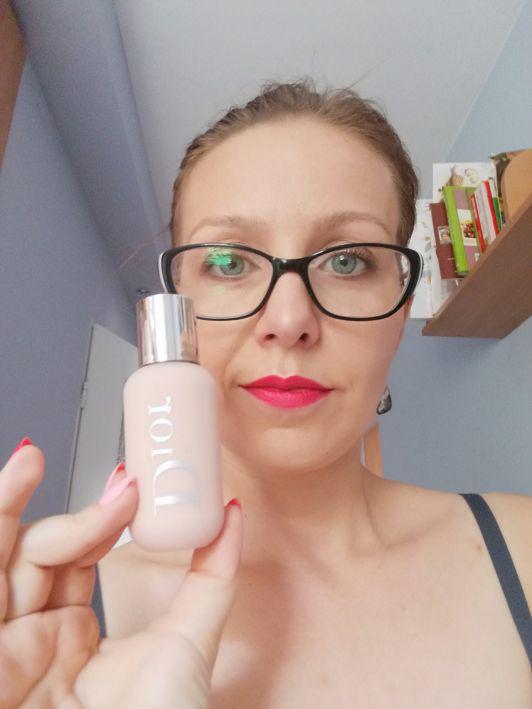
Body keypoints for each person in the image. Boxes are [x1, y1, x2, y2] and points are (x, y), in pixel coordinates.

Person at [2, 79, 531, 708]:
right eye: (229, 262)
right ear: (180, 306)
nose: (288, 319)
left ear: (401, 308)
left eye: (347, 261)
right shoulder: (64, 634)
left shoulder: (523, 549)